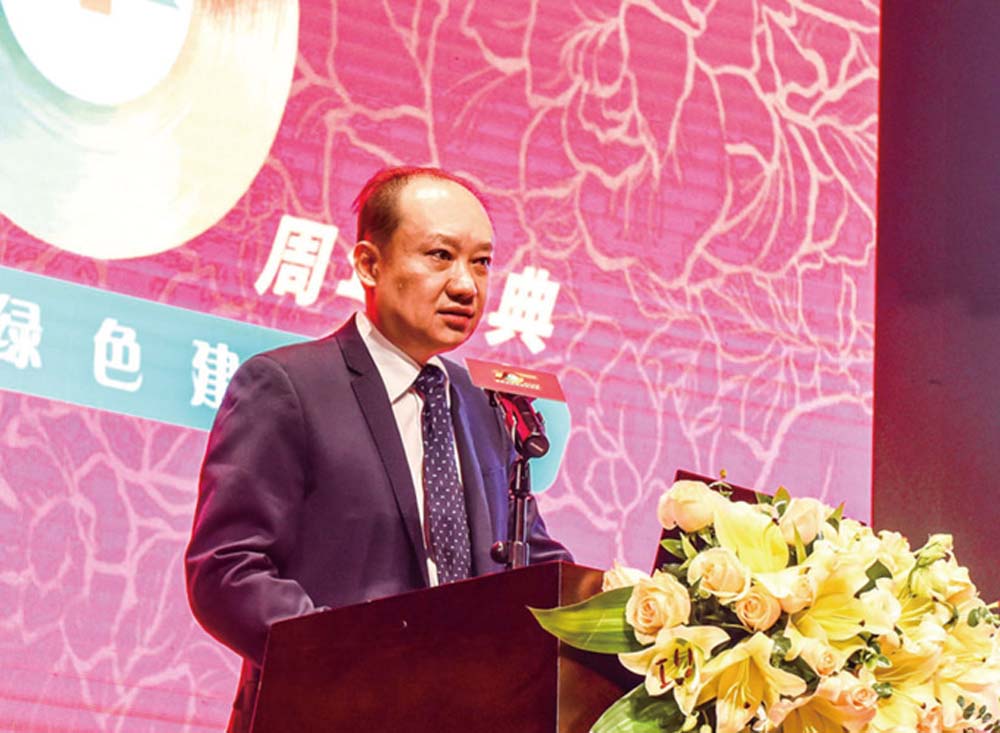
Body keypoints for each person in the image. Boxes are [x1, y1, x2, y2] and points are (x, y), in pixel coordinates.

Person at [184, 166, 572, 733]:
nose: (467, 285)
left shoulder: (486, 405)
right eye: (440, 256)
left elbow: (530, 561)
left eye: (482, 262)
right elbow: (227, 571)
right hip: (331, 714)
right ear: (369, 264)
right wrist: (365, 664)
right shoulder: (289, 386)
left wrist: (626, 611)